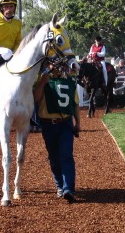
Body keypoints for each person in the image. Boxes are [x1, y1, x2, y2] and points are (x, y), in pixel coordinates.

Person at [33, 62, 80, 203]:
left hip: (65, 123)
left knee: (66, 155)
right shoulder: (41, 78)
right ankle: (60, 185)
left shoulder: (69, 81)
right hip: (48, 124)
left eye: (60, 65)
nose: (57, 68)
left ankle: (68, 189)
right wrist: (42, 82)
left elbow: (75, 103)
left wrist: (78, 122)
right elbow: (35, 98)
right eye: (54, 65)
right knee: (54, 157)